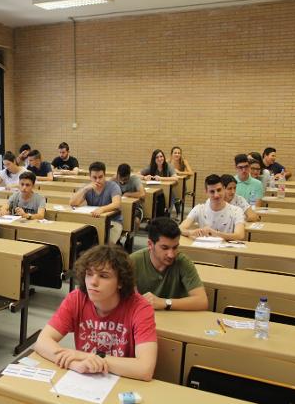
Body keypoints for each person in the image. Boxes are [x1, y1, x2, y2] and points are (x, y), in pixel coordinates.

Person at [34, 245, 157, 381]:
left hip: (123, 380)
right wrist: (75, 364)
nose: (93, 282)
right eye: (89, 274)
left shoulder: (140, 307)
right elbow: (42, 341)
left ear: (120, 282)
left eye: (103, 276)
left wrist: (82, 355)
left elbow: (145, 369)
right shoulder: (77, 298)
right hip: (86, 377)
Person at [130, 217, 208, 311]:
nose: (171, 255)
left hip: (175, 322)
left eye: (175, 248)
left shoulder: (183, 262)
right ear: (150, 244)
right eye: (164, 248)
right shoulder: (132, 262)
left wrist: (164, 302)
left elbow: (202, 301)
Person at [179, 174, 245, 241]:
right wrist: (191, 232)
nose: (216, 195)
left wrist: (215, 233)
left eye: (219, 190)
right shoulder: (199, 209)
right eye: (212, 192)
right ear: (206, 192)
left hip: (226, 250)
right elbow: (180, 228)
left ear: (224, 189)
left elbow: (240, 235)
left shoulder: (236, 211)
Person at [70, 161, 122, 244]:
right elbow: (73, 203)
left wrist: (102, 209)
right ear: (90, 177)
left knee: (107, 243)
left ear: (105, 176)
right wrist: (85, 189)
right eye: (94, 177)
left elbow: (117, 204)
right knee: (80, 240)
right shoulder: (87, 187)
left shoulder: (113, 186)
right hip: (93, 221)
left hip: (113, 222)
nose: (97, 180)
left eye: (100, 177)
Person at [112, 164, 145, 234]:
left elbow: (142, 194)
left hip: (135, 208)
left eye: (125, 180)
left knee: (135, 221)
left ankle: (131, 239)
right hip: (118, 207)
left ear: (129, 175)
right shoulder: (114, 179)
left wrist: (128, 194)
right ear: (117, 174)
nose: (122, 182)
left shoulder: (135, 179)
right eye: (120, 179)